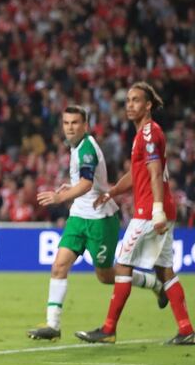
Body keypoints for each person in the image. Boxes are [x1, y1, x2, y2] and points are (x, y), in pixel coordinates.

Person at [27, 106, 167, 342]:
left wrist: (61, 196)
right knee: (59, 266)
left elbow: (87, 184)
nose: (70, 127)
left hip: (100, 220)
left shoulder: (88, 149)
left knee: (105, 276)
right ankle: (53, 325)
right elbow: (81, 182)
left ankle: (152, 282)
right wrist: (69, 188)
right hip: (78, 218)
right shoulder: (77, 147)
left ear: (85, 125)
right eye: (66, 123)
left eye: (75, 123)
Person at [77, 82, 194, 345]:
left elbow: (153, 172)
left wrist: (157, 209)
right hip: (159, 208)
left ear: (148, 105)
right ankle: (186, 329)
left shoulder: (150, 133)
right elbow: (137, 174)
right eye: (128, 100)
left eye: (136, 100)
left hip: (150, 211)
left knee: (122, 265)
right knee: (165, 270)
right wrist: (113, 191)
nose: (130, 105)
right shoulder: (143, 134)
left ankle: (108, 329)